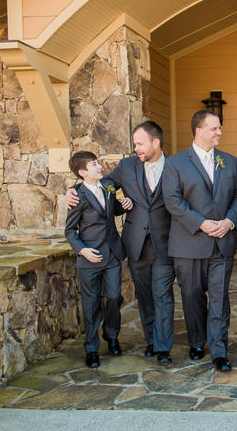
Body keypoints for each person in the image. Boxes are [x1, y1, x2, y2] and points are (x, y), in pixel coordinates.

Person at [65, 121, 176, 364]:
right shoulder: (127, 166)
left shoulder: (176, 166)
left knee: (163, 294)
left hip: (165, 242)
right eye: (134, 144)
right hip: (135, 243)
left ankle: (163, 346)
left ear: (155, 142)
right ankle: (150, 340)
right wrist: (72, 189)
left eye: (139, 143)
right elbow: (101, 184)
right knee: (145, 296)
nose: (135, 148)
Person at [162, 110, 237, 371]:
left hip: (222, 241)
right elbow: (173, 201)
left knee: (220, 298)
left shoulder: (230, 162)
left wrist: (228, 222)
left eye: (219, 128)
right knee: (192, 296)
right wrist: (201, 222)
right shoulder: (175, 163)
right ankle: (197, 341)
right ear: (199, 131)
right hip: (189, 243)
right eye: (214, 129)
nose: (219, 132)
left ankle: (219, 351)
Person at [64, 150, 132, 368]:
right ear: (83, 172)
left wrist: (125, 206)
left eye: (97, 163)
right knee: (91, 303)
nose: (99, 166)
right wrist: (82, 250)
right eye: (94, 164)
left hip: (112, 253)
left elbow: (112, 211)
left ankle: (111, 336)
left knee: (114, 297)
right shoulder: (77, 196)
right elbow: (70, 231)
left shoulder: (108, 188)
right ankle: (91, 348)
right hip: (90, 258)